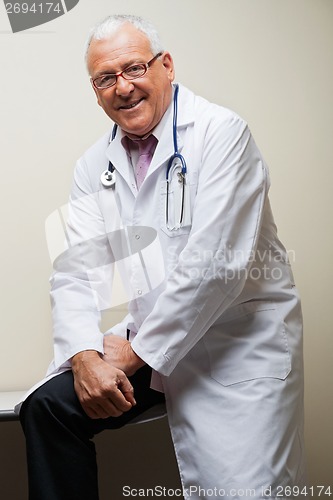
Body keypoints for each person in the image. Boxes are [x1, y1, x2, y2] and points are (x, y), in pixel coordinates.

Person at [19, 14, 306, 500]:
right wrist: (85, 356)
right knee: (48, 408)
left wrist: (132, 355)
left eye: (134, 68)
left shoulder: (221, 133)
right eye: (106, 78)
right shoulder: (94, 166)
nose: (123, 87)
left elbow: (216, 267)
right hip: (154, 343)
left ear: (166, 65)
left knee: (245, 493)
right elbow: (74, 272)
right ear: (95, 91)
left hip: (234, 345)